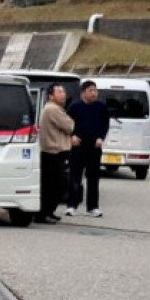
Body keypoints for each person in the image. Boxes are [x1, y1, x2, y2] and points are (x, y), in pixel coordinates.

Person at [66, 80, 109, 218]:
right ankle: (72, 205)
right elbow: (67, 124)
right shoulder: (74, 107)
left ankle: (93, 207)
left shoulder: (101, 107)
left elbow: (105, 124)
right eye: (91, 90)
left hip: (94, 147)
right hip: (78, 146)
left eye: (95, 90)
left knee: (93, 177)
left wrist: (101, 137)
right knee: (75, 177)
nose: (94, 93)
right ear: (83, 92)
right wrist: (71, 136)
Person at [37, 83, 74, 224]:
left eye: (63, 91)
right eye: (59, 92)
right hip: (54, 152)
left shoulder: (54, 108)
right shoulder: (53, 109)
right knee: (54, 185)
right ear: (51, 96)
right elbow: (70, 126)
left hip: (53, 152)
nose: (63, 94)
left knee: (54, 185)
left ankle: (48, 212)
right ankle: (44, 213)